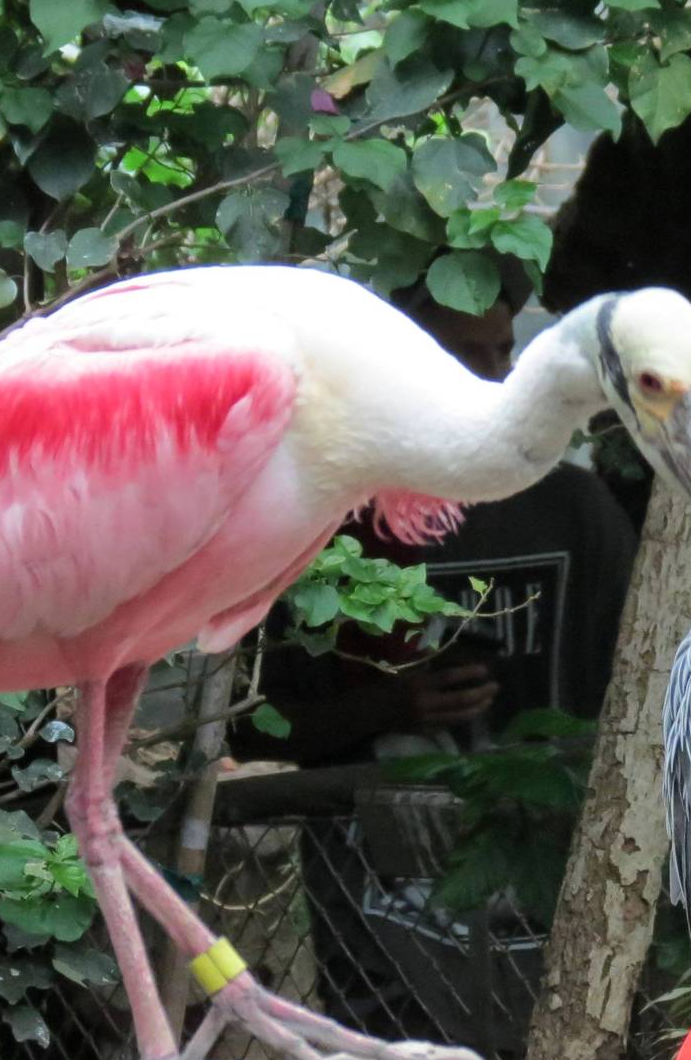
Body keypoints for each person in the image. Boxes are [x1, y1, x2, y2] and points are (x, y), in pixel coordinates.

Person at [248, 278, 639, 764]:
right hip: (364, 827)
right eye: (463, 356)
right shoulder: (333, 513)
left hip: (545, 826)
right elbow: (246, 728)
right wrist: (386, 707)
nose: (494, 374)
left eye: (502, 352)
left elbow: (643, 678)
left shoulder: (574, 510)